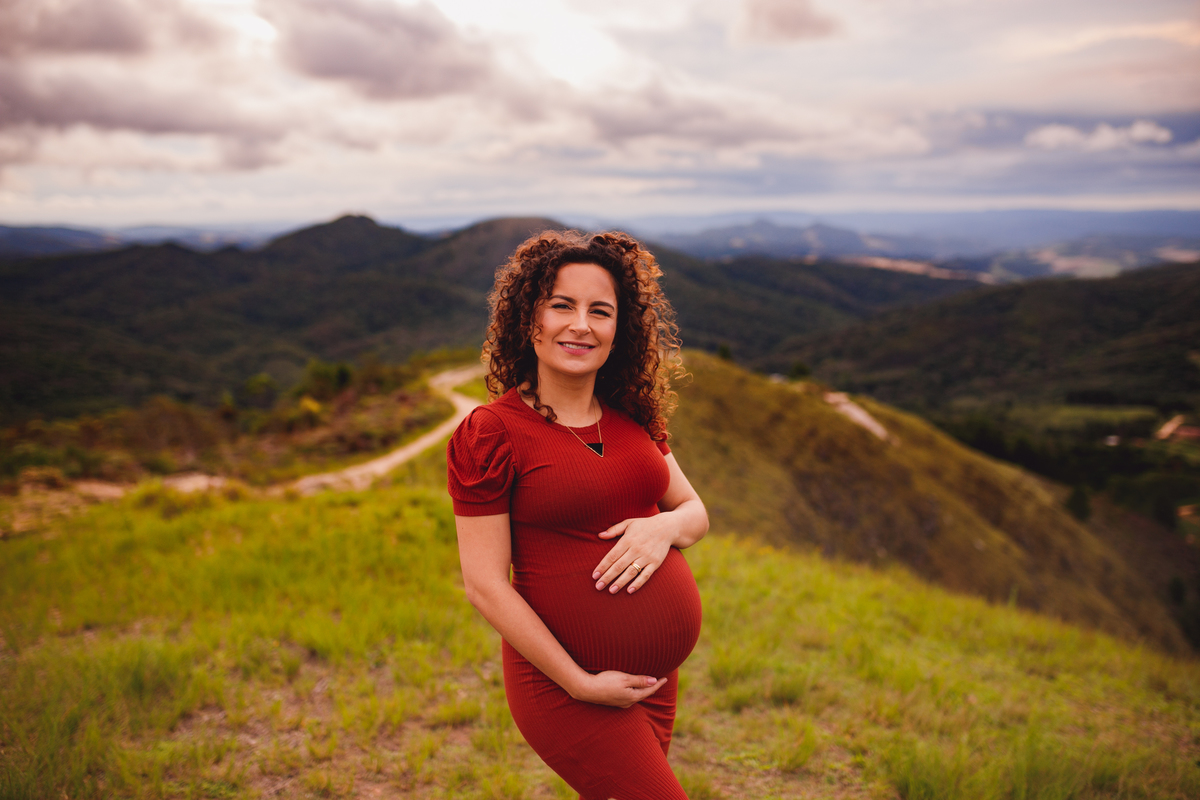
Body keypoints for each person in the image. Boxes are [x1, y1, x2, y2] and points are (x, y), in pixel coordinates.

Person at [446, 229, 708, 799]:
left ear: (621, 330)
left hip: (652, 682)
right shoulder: (491, 432)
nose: (581, 324)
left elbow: (693, 512)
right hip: (564, 686)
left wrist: (661, 527)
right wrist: (581, 684)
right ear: (528, 320)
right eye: (561, 305)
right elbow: (485, 585)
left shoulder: (633, 417)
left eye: (600, 311)